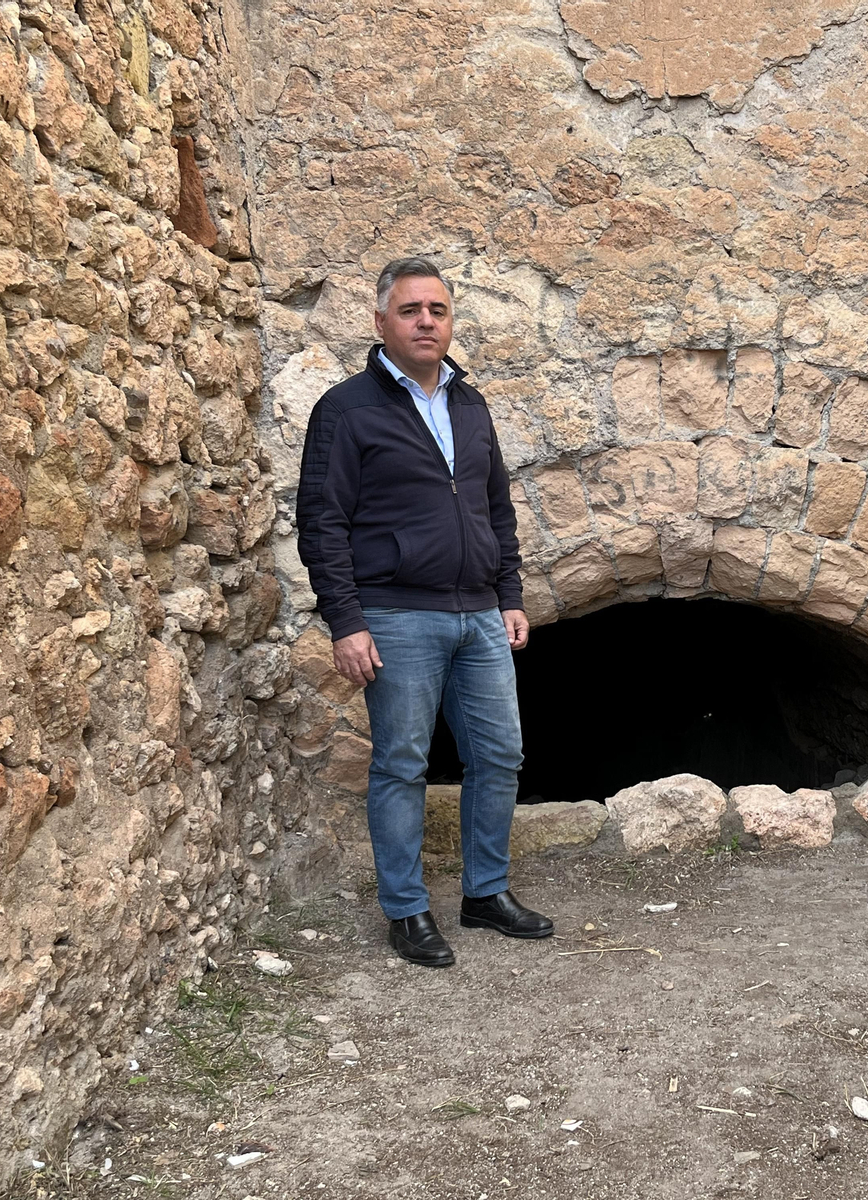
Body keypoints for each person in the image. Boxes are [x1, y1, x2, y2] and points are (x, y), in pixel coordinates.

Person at [294, 256, 553, 967]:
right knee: (403, 763)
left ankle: (484, 893)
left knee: (500, 753)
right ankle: (407, 912)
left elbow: (495, 508)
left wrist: (509, 595)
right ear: (380, 322)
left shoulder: (470, 404)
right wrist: (346, 621)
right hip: (397, 616)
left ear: (449, 320)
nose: (426, 321)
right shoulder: (346, 410)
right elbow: (322, 524)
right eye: (410, 311)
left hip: (478, 614)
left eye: (437, 310)